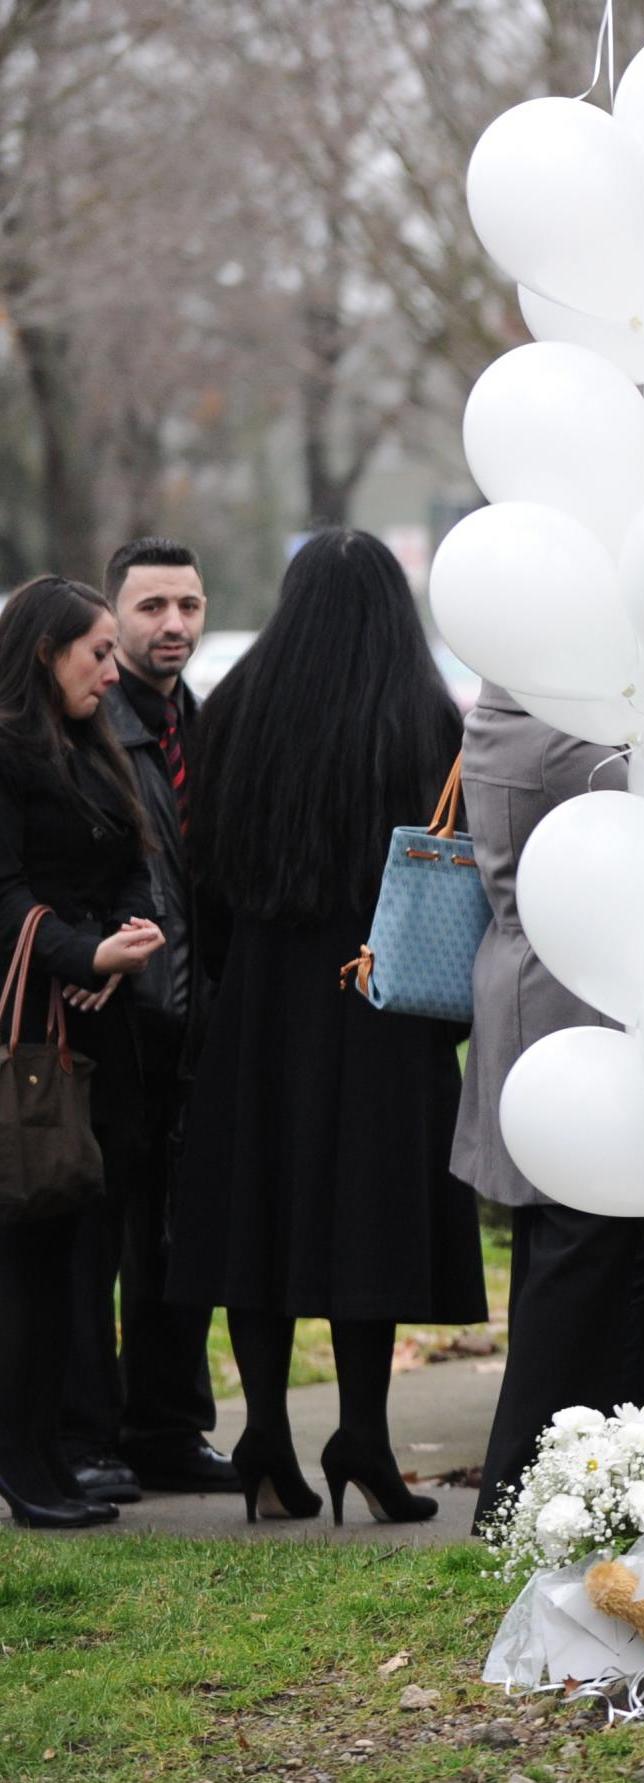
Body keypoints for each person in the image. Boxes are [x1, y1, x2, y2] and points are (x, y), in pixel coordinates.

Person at [170, 530, 485, 1526]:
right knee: (367, 1220)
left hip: (258, 1005)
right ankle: (363, 1435)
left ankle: (265, 1432)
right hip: (381, 1012)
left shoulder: (232, 713)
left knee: (255, 1215)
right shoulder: (425, 719)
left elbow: (202, 872)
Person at [453, 686, 644, 1527]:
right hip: (564, 1008)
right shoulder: (559, 725)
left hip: (547, 997)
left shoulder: (515, 705)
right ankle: (518, 1488)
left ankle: (551, 1477)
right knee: (575, 1254)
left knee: (571, 1253)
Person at [59, 539, 236, 1505]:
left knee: (180, 1239)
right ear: (114, 617)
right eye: (152, 606)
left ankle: (169, 1426)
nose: (173, 625)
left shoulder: (201, 728)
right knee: (95, 1241)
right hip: (110, 1025)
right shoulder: (84, 726)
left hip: (192, 1030)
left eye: (190, 605)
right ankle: (88, 1432)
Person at [0, 577, 166, 1527]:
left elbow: (133, 860)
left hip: (92, 1031)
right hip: (24, 1033)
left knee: (68, 1251)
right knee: (25, 1250)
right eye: (96, 652)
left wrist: (116, 945)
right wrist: (78, 950)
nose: (112, 669)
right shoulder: (10, 751)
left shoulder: (89, 744)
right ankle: (25, 1459)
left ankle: (53, 1453)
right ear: (41, 652)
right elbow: (7, 892)